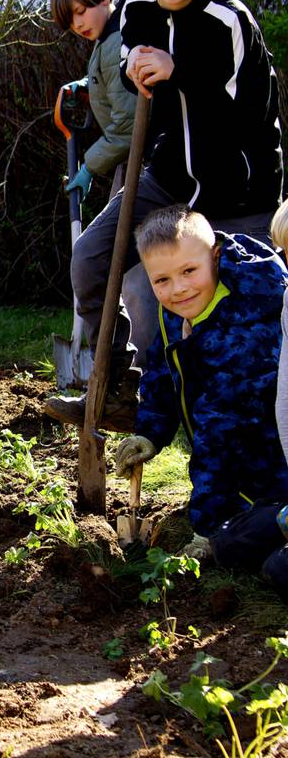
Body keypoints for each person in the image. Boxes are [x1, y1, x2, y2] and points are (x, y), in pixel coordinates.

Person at [45, 0, 283, 431]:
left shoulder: (229, 22)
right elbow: (132, 50)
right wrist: (132, 65)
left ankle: (254, 436)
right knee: (91, 259)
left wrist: (174, 69)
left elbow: (233, 110)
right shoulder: (137, 8)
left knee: (245, 314)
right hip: (171, 175)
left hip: (240, 188)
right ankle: (117, 387)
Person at [113, 206, 288, 596]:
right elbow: (162, 370)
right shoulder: (178, 309)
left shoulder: (245, 329)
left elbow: (221, 434)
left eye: (189, 272)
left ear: (215, 256)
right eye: (162, 280)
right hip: (236, 460)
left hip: (269, 468)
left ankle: (254, 524)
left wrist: (208, 524)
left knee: (239, 547)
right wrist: (151, 433)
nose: (178, 289)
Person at [51, 0, 158, 367]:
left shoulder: (116, 41)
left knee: (125, 274)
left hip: (140, 165)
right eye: (70, 19)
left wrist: (88, 167)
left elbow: (130, 127)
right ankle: (131, 367)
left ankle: (136, 368)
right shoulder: (113, 35)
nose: (77, 23)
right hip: (131, 164)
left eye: (81, 11)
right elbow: (117, 87)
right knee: (120, 270)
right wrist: (90, 84)